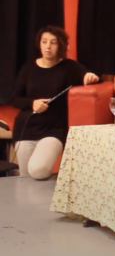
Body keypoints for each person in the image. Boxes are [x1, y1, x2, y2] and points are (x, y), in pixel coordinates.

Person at [10, 26, 99, 180]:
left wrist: (90, 77)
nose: (48, 46)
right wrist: (32, 103)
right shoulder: (28, 68)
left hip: (53, 130)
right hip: (26, 129)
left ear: (61, 45)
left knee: (38, 170)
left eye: (53, 42)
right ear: (39, 44)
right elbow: (15, 98)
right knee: (25, 178)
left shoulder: (69, 67)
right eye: (44, 42)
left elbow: (91, 77)